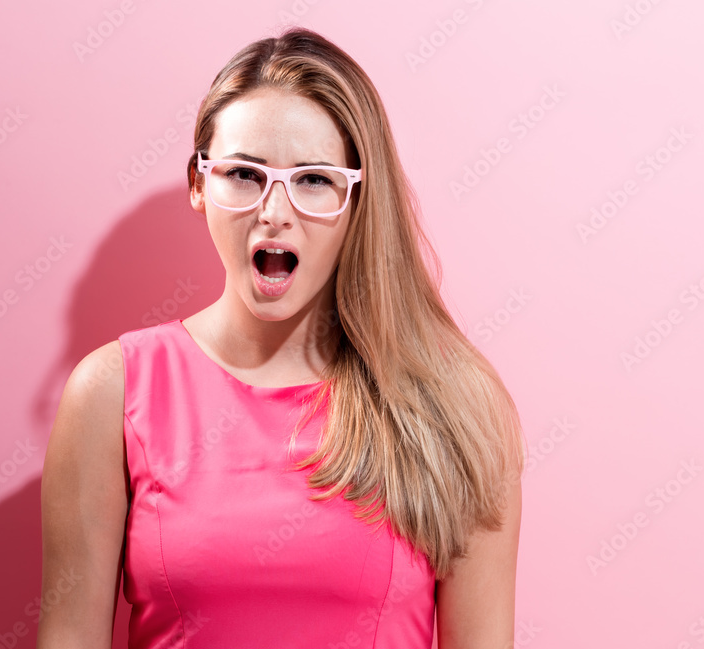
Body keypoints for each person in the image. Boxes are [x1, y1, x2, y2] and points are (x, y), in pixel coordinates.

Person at [37, 27, 527, 649]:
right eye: (244, 174)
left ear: (358, 197)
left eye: (314, 180)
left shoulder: (456, 404)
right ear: (198, 183)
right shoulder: (112, 392)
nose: (275, 210)